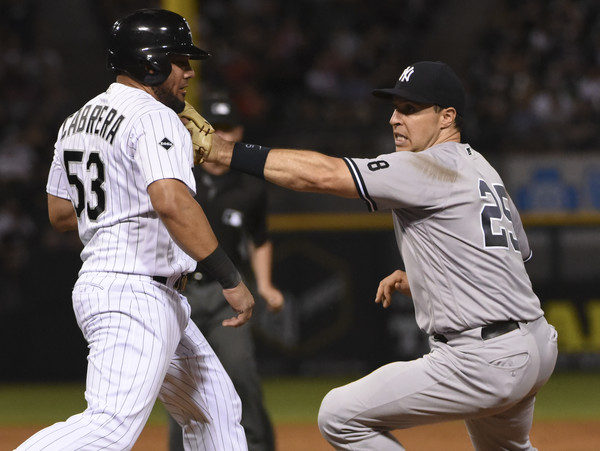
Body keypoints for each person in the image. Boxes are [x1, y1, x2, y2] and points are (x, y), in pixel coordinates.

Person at [198, 61, 559, 450]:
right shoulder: (482, 168)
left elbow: (323, 175)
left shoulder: (427, 165)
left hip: (483, 358)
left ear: (447, 116)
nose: (394, 119)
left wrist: (223, 151)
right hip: (536, 343)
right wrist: (427, 279)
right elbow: (512, 256)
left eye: (409, 109)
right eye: (394, 108)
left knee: (339, 416)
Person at [17, 9, 254, 451]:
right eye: (179, 60)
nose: (188, 71)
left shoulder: (77, 120)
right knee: (109, 427)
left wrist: (124, 194)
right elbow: (172, 202)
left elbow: (61, 212)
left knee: (215, 413)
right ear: (151, 62)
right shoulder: (154, 115)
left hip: (130, 287)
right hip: (134, 291)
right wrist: (230, 278)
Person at [168, 93, 283, 451]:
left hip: (225, 296)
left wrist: (264, 284)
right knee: (182, 388)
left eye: (228, 127)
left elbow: (260, 239)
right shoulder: (178, 172)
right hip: (179, 293)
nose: (220, 134)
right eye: (213, 127)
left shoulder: (250, 185)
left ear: (239, 131)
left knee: (240, 375)